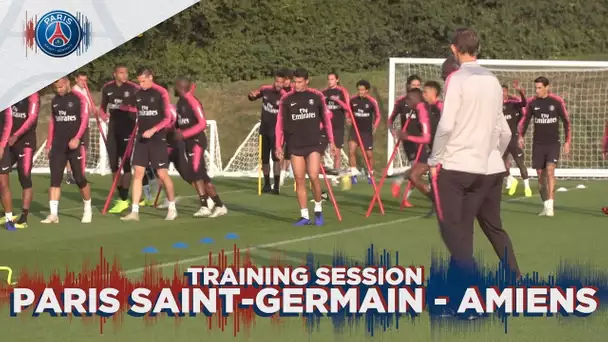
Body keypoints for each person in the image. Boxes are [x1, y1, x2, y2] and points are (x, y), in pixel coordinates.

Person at [428, 28, 521, 297]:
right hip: (490, 168)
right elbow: (503, 131)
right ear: (478, 49)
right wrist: (493, 154)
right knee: (490, 226)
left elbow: (446, 125)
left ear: (454, 49)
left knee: (457, 232)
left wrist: (435, 158)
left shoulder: (457, 79)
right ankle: (515, 280)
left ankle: (466, 296)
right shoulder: (492, 80)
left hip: (458, 166)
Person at [275, 68, 335, 226]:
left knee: (314, 175)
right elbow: (279, 124)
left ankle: (318, 208)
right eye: (294, 82)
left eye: (300, 82)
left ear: (307, 81)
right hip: (295, 144)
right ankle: (304, 215)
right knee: (299, 179)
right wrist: (278, 145)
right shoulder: (286, 99)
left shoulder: (316, 96)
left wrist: (332, 141)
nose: (296, 85)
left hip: (313, 143)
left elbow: (327, 119)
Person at [121, 68, 177, 221]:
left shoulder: (161, 92)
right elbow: (135, 110)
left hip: (157, 138)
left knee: (161, 174)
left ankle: (172, 207)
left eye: (144, 81)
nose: (141, 84)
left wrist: (153, 130)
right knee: (138, 173)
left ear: (151, 77)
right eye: (139, 81)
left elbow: (167, 118)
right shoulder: (138, 94)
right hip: (141, 138)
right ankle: (135, 211)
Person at [174, 77, 227, 218]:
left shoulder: (192, 101)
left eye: (175, 85)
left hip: (197, 141)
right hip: (188, 142)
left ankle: (204, 205)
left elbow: (202, 123)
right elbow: (180, 123)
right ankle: (219, 205)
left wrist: (184, 134)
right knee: (202, 177)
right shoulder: (180, 103)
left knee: (196, 172)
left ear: (180, 86)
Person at [41, 77, 93, 224]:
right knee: (55, 179)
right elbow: (53, 122)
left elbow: (84, 120)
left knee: (79, 179)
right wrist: (49, 143)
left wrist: (77, 138)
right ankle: (53, 215)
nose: (59, 90)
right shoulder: (55, 101)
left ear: (68, 83)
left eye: (61, 87)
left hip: (76, 145)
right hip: (58, 145)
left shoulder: (80, 99)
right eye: (56, 88)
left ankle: (87, 209)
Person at [518, 76, 571, 217]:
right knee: (541, 177)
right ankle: (546, 205)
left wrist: (567, 141)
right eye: (536, 88)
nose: (537, 90)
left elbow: (566, 121)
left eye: (540, 87)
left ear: (547, 87)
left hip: (553, 143)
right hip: (538, 144)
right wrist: (521, 136)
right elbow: (526, 120)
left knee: (550, 171)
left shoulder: (557, 101)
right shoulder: (532, 103)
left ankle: (551, 205)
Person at [99, 65, 142, 213]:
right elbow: (102, 108)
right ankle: (121, 196)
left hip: (127, 129)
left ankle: (123, 199)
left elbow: (141, 108)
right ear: (115, 74)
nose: (124, 76)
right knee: (113, 165)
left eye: (126, 73)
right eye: (121, 73)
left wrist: (128, 109)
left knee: (126, 164)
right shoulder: (107, 88)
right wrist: (103, 115)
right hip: (113, 129)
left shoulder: (134, 88)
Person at [248, 70, 287, 194]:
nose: (278, 84)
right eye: (277, 81)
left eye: (281, 82)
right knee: (264, 159)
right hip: (264, 129)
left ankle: (276, 186)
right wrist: (251, 95)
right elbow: (253, 96)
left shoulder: (284, 96)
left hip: (277, 132)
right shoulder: (265, 89)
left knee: (276, 158)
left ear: (284, 83)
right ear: (274, 81)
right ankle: (266, 184)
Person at [5, 92, 39, 228]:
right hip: (8, 142)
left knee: (24, 177)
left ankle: (24, 217)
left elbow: (31, 119)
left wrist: (16, 135)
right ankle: (7, 212)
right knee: (2, 176)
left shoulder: (33, 96)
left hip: (25, 143)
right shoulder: (11, 93)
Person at [389, 75, 422, 199]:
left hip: (422, 139)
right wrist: (393, 130)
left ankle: (404, 194)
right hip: (408, 139)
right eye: (414, 85)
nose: (416, 87)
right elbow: (390, 120)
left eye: (418, 85)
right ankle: (399, 182)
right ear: (408, 86)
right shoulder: (401, 102)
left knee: (420, 170)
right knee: (416, 168)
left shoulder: (423, 102)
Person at [347, 80, 381, 184]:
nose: (360, 92)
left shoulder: (372, 101)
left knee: (369, 154)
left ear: (367, 90)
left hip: (366, 132)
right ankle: (353, 175)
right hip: (355, 130)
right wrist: (348, 118)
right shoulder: (352, 100)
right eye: (359, 90)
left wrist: (375, 126)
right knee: (351, 150)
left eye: (362, 90)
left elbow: (378, 115)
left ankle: (370, 174)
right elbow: (348, 111)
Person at [502, 81, 531, 196]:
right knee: (498, 163)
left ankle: (527, 187)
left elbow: (524, 103)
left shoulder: (512, 103)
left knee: (520, 163)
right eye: (500, 92)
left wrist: (520, 91)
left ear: (507, 92)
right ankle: (511, 180)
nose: (502, 94)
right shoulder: (495, 106)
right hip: (502, 140)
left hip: (513, 139)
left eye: (503, 91)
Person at [322, 72, 350, 176]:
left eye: (332, 79)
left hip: (337, 125)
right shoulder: (323, 93)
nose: (330, 81)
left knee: (337, 153)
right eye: (329, 79)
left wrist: (338, 101)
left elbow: (347, 108)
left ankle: (336, 175)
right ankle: (321, 173)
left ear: (337, 80)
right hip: (325, 126)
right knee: (320, 151)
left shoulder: (342, 91)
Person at [0, 107, 15, 230]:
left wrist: (2, 145)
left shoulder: (5, 100)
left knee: (3, 184)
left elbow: (9, 123)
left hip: (1, 147)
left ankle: (9, 219)